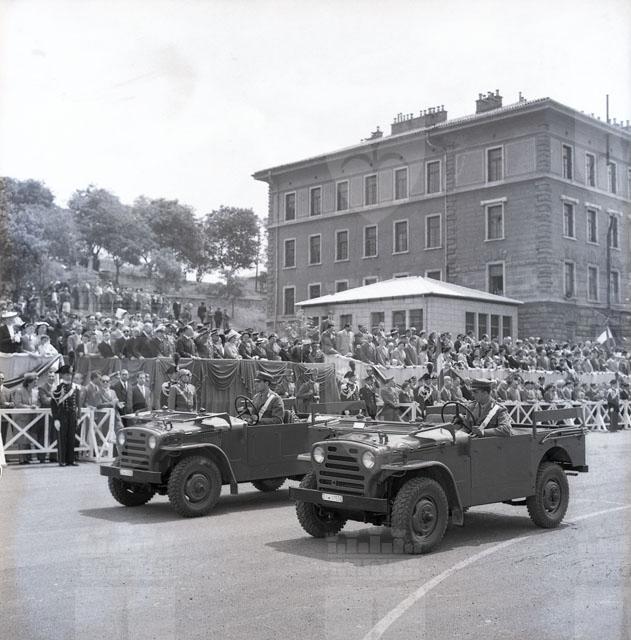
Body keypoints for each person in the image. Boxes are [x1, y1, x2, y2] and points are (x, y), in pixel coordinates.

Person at [50, 365, 81, 466]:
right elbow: (54, 405)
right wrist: (56, 419)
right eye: (67, 374)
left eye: (70, 374)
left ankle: (70, 460)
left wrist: (78, 417)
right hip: (62, 416)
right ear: (62, 375)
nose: (69, 376)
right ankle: (62, 460)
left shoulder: (75, 387)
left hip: (72, 416)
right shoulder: (57, 388)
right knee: (62, 438)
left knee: (71, 437)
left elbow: (78, 404)